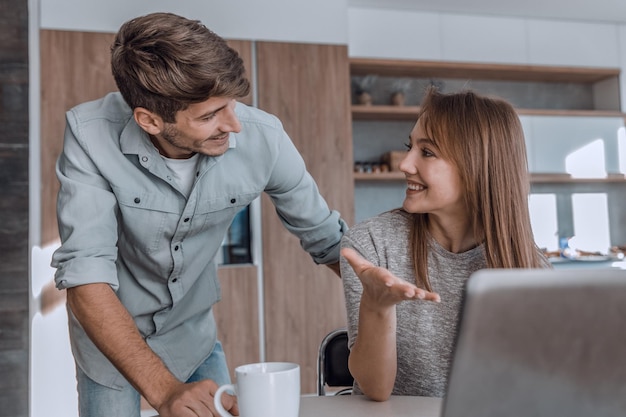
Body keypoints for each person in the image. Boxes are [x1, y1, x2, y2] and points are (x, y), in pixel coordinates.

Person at [51, 12, 347, 417]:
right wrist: (164, 390)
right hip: (110, 342)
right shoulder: (90, 136)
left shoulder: (265, 137)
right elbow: (85, 276)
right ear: (150, 120)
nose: (234, 125)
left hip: (194, 337)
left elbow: (328, 239)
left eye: (231, 104)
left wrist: (380, 290)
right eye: (209, 116)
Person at [340, 87, 550, 402]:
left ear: (476, 167)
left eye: (427, 152)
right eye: (409, 147)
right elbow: (375, 388)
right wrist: (376, 305)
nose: (405, 164)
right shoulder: (370, 245)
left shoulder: (531, 269)